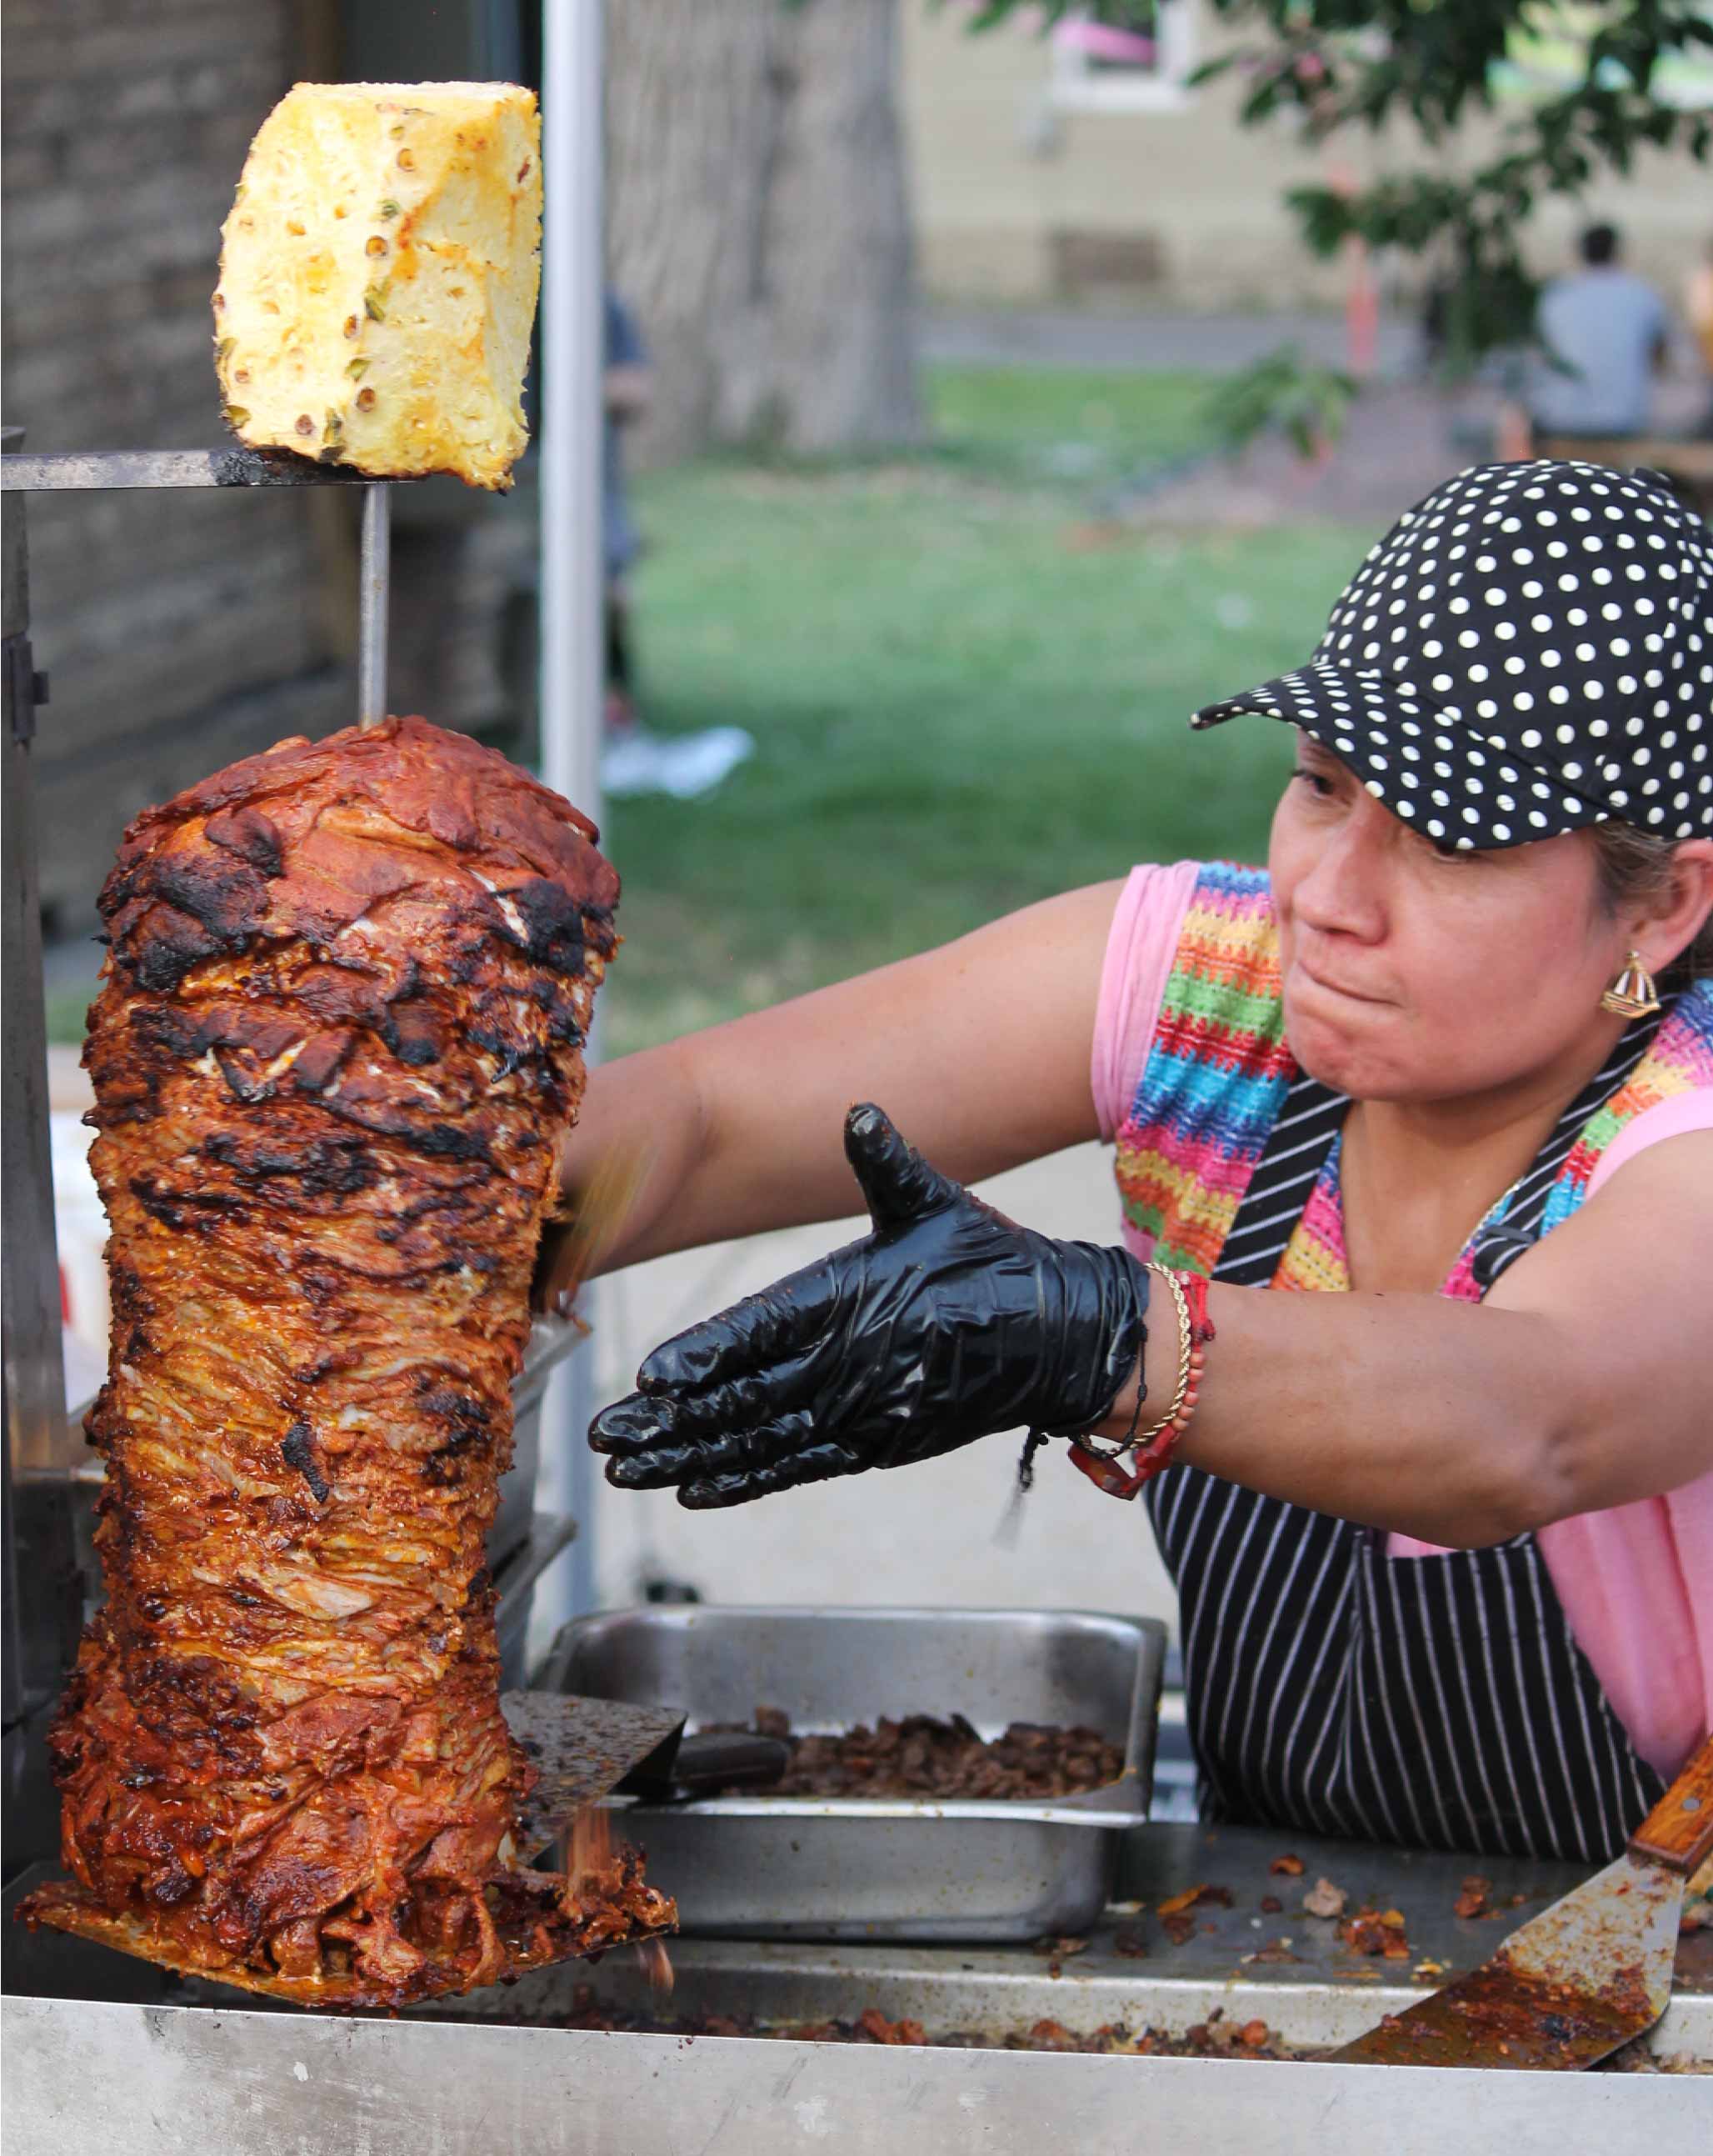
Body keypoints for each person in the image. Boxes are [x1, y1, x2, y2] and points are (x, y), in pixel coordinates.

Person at [554, 460, 1713, 1868]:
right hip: (1278, 1918)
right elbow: (705, 1121)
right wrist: (389, 1207)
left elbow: (1529, 1416)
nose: (1329, 897)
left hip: (1660, 1983)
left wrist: (1094, 1329)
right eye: (1321, 785)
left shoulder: (1682, 1135)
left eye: (1449, 841)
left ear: (1662, 907)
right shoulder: (1214, 995)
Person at [598, 289, 754, 803]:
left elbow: (633, 390)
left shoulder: (594, 302)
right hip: (515, 492)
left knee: (607, 601)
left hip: (590, 495)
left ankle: (614, 729)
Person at [1529, 224, 1671, 443]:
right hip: (1624, 418)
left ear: (1579, 252)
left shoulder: (1555, 295)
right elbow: (1660, 358)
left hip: (1561, 417)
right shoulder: (1642, 293)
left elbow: (1541, 352)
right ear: (1617, 251)